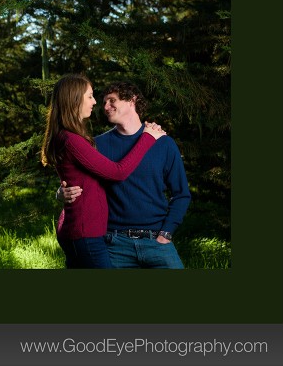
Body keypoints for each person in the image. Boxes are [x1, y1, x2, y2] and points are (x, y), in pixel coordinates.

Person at [59, 81, 191, 268]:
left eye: (112, 100)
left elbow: (181, 194)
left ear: (132, 100)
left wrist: (167, 232)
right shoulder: (97, 145)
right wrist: (61, 192)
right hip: (114, 243)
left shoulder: (163, 143)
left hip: (157, 241)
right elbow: (80, 182)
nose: (105, 107)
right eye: (103, 102)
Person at [41, 74, 166, 269]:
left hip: (79, 229)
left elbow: (75, 176)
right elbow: (118, 173)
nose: (95, 102)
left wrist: (60, 192)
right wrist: (148, 137)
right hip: (85, 233)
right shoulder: (72, 140)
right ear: (74, 99)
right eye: (90, 96)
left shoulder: (68, 136)